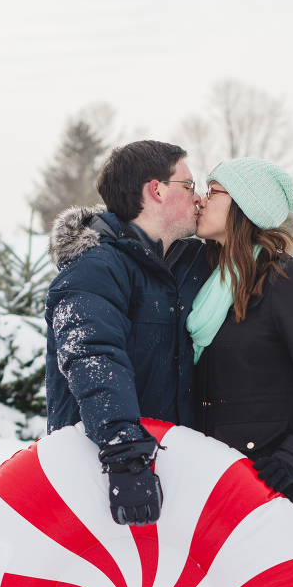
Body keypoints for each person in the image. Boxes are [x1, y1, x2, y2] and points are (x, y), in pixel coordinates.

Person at [45, 140, 209, 527]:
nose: (198, 197)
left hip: (174, 469)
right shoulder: (95, 269)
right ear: (157, 190)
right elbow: (92, 357)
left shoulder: (188, 264)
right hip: (107, 476)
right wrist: (126, 457)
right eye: (188, 185)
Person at [189, 158, 293, 543]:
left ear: (245, 205)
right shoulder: (204, 279)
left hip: (278, 495)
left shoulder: (287, 282)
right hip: (217, 492)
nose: (200, 200)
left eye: (213, 192)